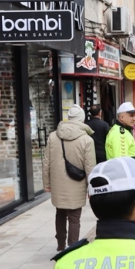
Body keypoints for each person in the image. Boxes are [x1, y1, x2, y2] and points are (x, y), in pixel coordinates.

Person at [43, 105, 96, 251]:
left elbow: (46, 161)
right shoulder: (86, 140)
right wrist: (92, 189)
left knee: (60, 213)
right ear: (82, 119)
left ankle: (60, 245)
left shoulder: (53, 136)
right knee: (74, 218)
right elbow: (90, 167)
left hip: (58, 183)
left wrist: (47, 183)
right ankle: (72, 248)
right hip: (77, 183)